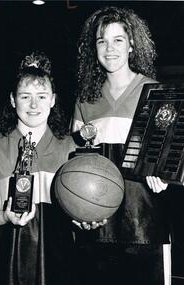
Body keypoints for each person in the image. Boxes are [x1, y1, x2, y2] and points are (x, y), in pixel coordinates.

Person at [72, 6, 171, 285]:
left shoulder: (156, 93)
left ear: (131, 45)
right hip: (97, 227)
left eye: (118, 40)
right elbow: (77, 167)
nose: (109, 48)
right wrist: (79, 211)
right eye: (101, 41)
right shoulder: (85, 100)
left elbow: (174, 154)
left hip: (146, 225)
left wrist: (164, 173)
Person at [0, 51, 76, 285]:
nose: (33, 105)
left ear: (53, 100)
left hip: (60, 266)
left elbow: (83, 211)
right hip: (1, 266)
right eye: (25, 96)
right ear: (12, 100)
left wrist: (88, 218)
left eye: (41, 96)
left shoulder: (72, 150)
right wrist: (3, 216)